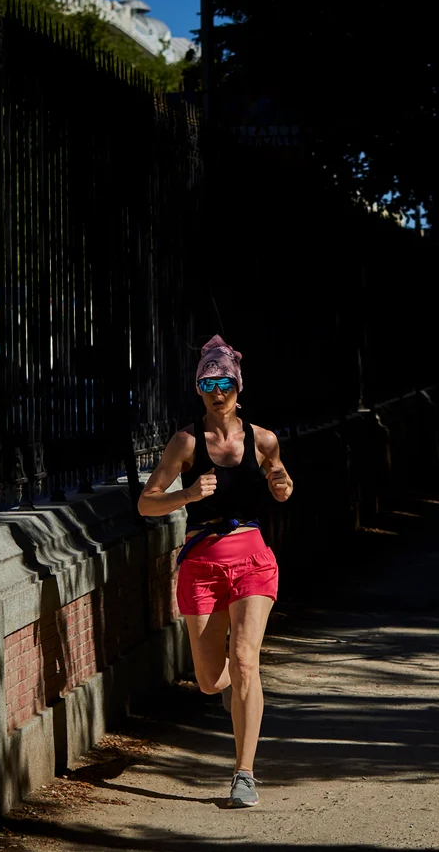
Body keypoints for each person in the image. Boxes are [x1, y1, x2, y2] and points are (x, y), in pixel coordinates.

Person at [137, 335, 294, 808]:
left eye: (225, 381)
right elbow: (146, 503)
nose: (217, 390)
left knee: (246, 660)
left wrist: (282, 483)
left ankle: (244, 773)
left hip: (252, 562)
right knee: (209, 679)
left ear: (238, 385)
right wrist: (186, 495)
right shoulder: (186, 441)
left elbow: (281, 485)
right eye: (208, 382)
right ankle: (235, 689)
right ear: (199, 389)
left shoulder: (262, 438)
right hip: (201, 565)